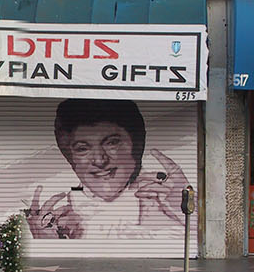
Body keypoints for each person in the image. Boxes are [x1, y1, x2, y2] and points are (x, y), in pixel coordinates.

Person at [28, 99, 190, 240]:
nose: (99, 160)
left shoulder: (167, 199)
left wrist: (189, 210)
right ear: (70, 157)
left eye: (112, 143)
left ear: (137, 143)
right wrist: (50, 244)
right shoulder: (56, 214)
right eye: (82, 148)